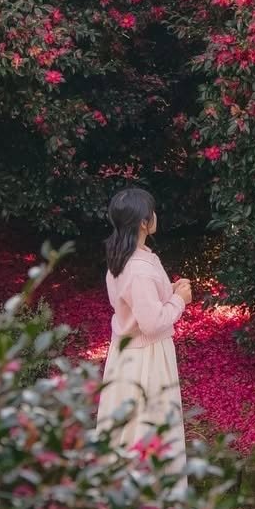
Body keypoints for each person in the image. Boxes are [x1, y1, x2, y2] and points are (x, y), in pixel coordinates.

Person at [95, 186, 191, 488]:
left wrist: (169, 292)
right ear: (143, 223)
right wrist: (180, 301)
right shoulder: (138, 268)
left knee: (128, 428)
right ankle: (150, 499)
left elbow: (140, 307)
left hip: (126, 354)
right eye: (152, 211)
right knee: (148, 426)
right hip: (146, 359)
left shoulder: (124, 259)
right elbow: (152, 323)